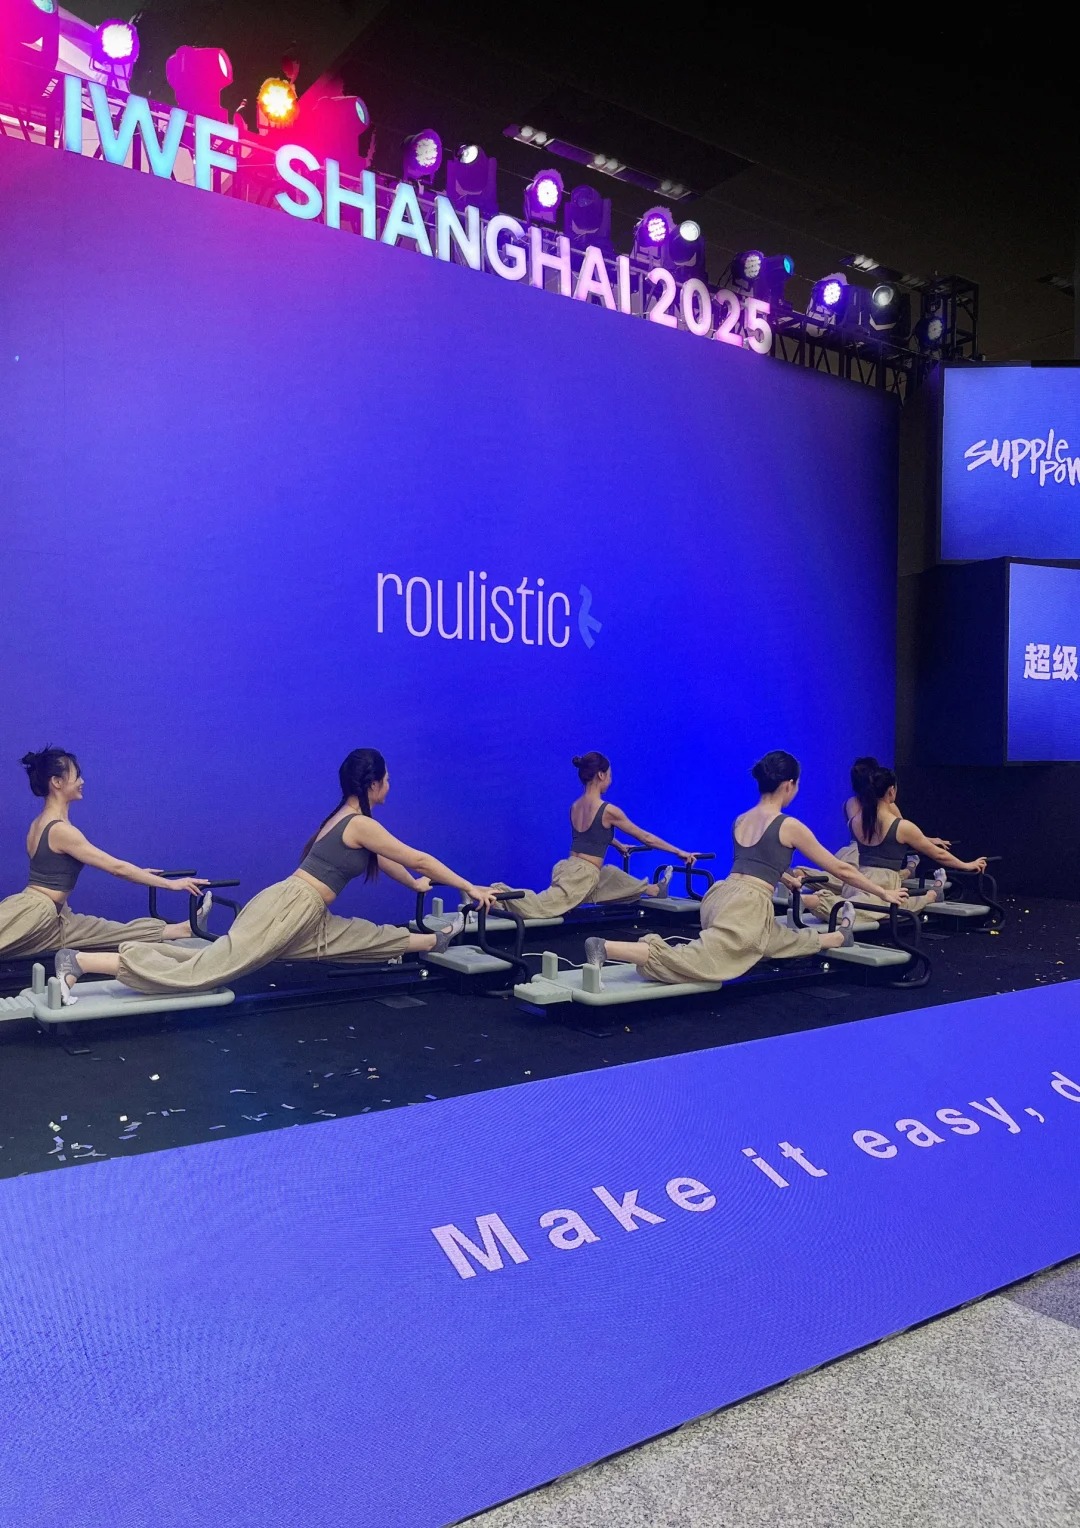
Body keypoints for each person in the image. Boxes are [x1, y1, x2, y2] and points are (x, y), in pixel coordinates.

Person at [55, 748, 497, 1002]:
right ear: (372, 784)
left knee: (358, 938)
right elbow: (418, 857)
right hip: (290, 907)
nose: (390, 786)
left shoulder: (345, 819)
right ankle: (83, 961)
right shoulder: (359, 823)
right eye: (387, 780)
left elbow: (389, 861)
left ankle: (434, 941)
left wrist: (415, 886)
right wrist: (467, 886)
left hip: (303, 910)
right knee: (209, 969)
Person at [583, 750, 908, 985]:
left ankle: (838, 937)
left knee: (774, 940)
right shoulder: (789, 825)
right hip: (747, 907)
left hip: (722, 896)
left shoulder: (741, 819)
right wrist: (884, 893)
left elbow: (755, 862)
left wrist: (784, 876)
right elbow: (841, 869)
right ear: (789, 785)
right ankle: (607, 947)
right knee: (701, 960)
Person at [0, 747, 208, 960]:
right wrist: (171, 884)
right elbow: (117, 868)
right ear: (57, 782)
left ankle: (181, 930)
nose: (82, 781)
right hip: (36, 912)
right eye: (77, 776)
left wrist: (140, 873)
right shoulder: (60, 830)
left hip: (56, 916)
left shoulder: (39, 823)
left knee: (107, 931)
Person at [493, 751, 699, 919]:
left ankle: (654, 890)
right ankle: (497, 894)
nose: (610, 780)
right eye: (609, 775)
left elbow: (591, 835)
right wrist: (678, 852)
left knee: (611, 874)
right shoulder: (609, 810)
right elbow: (645, 838)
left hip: (572, 868)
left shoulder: (575, 806)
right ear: (601, 775)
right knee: (542, 907)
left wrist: (618, 845)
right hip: (582, 876)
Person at [820, 763, 987, 920]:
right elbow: (939, 854)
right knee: (860, 910)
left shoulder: (855, 821)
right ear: (891, 791)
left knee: (849, 909)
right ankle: (933, 890)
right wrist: (967, 865)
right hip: (883, 885)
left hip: (858, 881)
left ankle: (933, 890)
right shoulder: (902, 827)